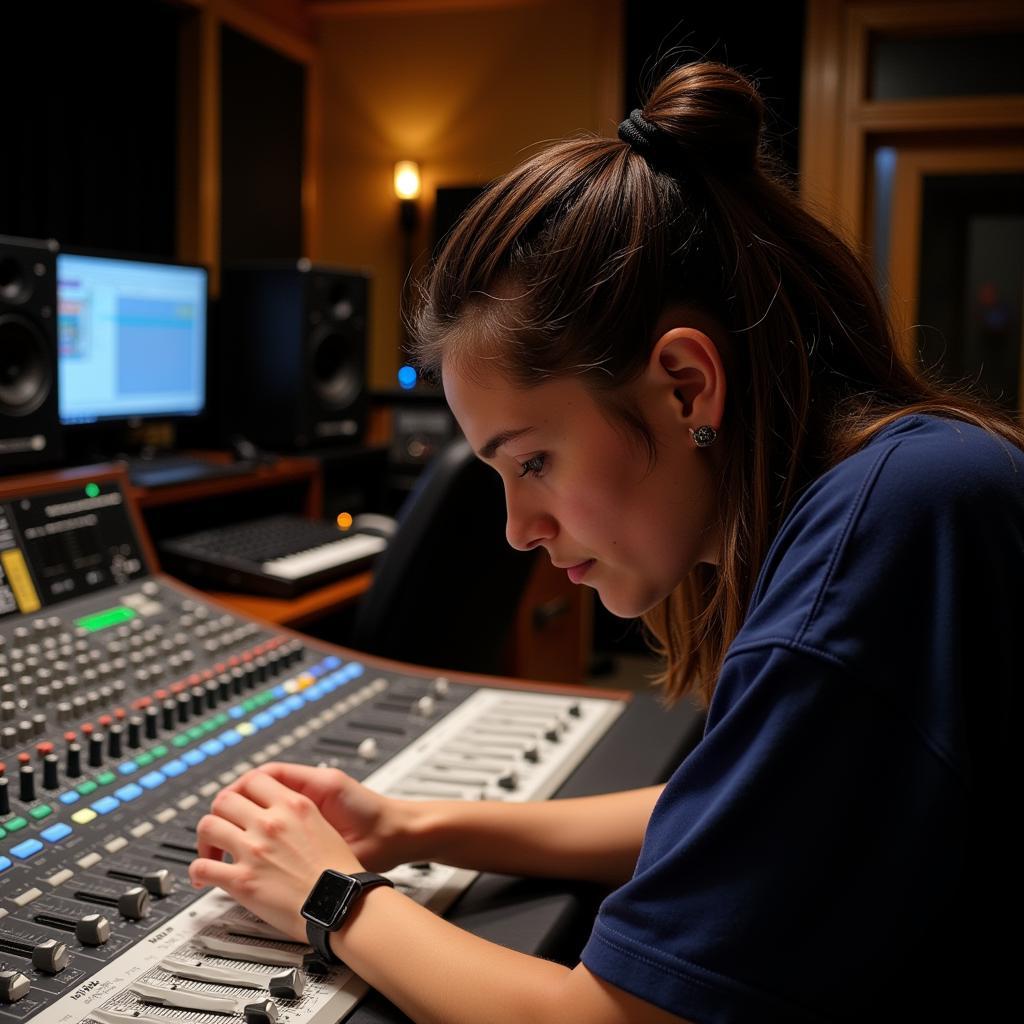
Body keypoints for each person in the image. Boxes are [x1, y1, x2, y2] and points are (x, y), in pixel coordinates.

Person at [189, 61, 1023, 1023]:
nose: (516, 530)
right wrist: (409, 824)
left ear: (683, 386)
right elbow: (736, 820)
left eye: (532, 461)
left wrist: (330, 897)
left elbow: (616, 1019)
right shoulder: (903, 488)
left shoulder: (889, 535)